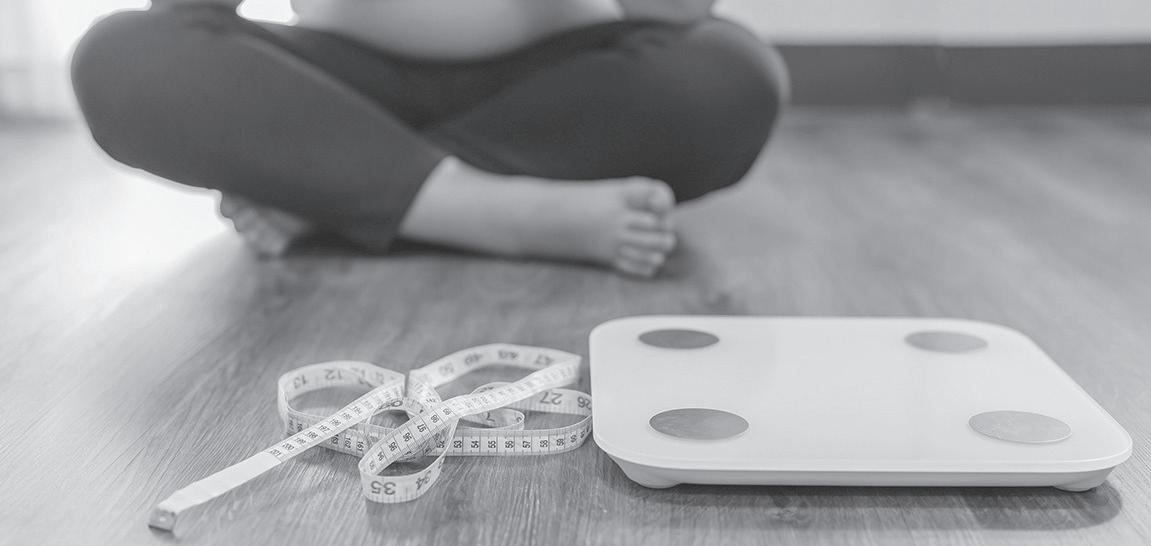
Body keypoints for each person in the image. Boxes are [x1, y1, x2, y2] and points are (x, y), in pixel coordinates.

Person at [71, 0, 787, 277]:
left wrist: (322, 180)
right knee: (121, 58)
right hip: (337, 88)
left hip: (554, 88)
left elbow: (676, 12)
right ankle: (493, 213)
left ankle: (337, 196)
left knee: (730, 74)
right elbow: (186, 13)